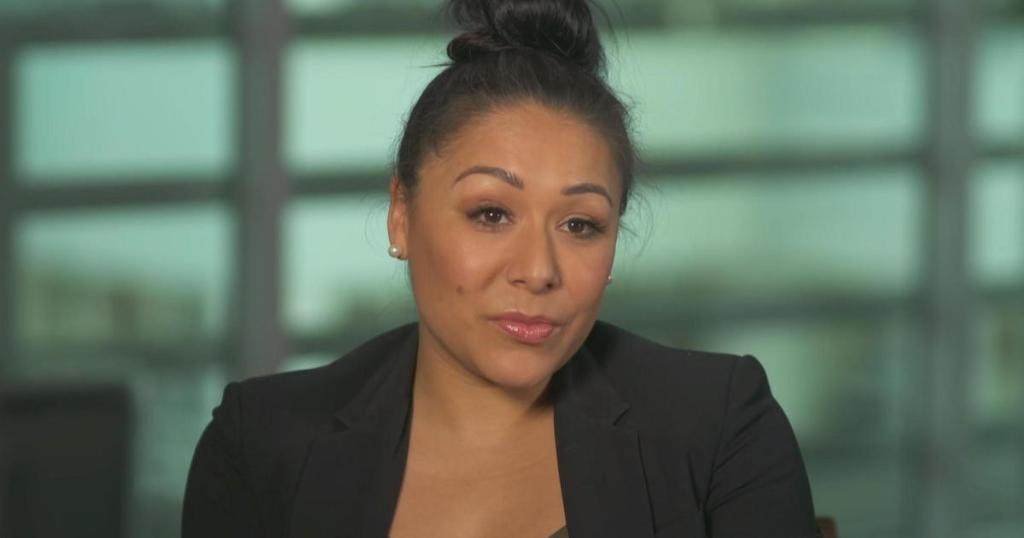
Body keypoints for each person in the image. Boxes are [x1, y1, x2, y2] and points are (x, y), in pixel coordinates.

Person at [182, 0, 819, 536]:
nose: (538, 270)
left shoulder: (719, 426)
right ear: (401, 215)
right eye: (491, 214)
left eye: (580, 225)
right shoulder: (261, 442)